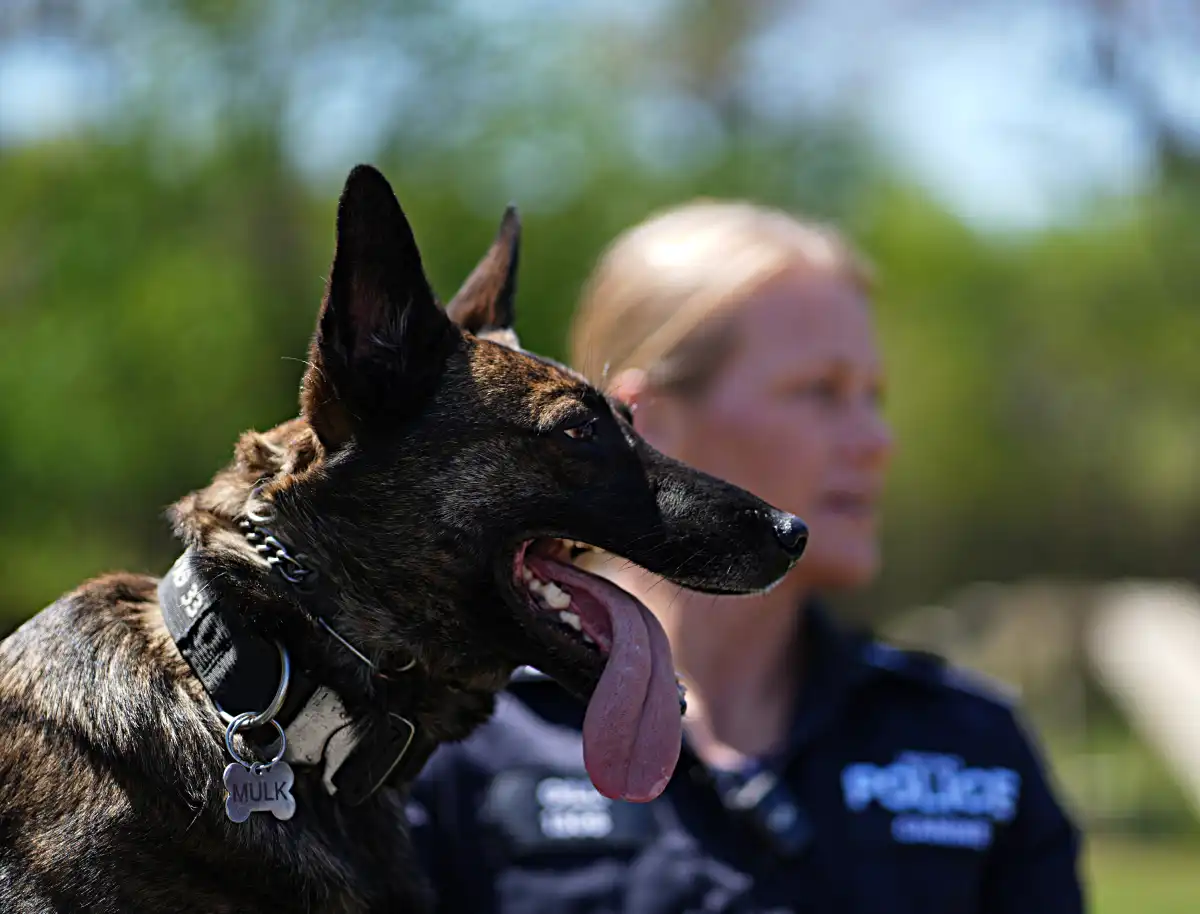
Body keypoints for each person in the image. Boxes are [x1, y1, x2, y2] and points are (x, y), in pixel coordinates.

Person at [407, 200, 1085, 913]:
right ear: (647, 419)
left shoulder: (969, 744)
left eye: (873, 397)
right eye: (820, 391)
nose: (877, 441)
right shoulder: (457, 744)